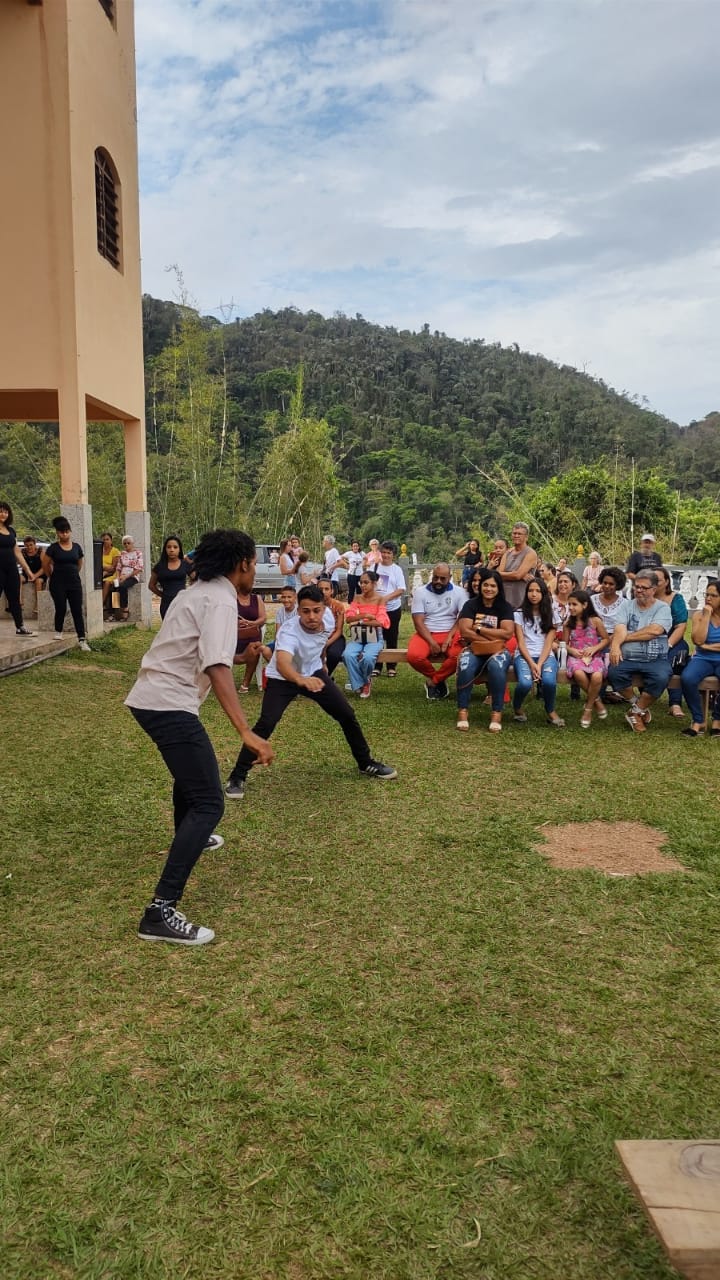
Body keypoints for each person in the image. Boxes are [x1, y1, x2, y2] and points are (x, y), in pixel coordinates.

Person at [125, 529, 274, 945]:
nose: (254, 572)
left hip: (153, 697)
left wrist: (240, 655)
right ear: (242, 564)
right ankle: (160, 912)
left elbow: (201, 652)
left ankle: (188, 837)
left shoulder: (195, 593)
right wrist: (246, 731)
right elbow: (215, 667)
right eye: (253, 564)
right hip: (167, 703)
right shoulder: (222, 601)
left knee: (189, 778)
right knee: (209, 802)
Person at [224, 584, 397, 800]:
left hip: (313, 672)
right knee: (266, 723)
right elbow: (283, 664)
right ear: (298, 611)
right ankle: (237, 776)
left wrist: (321, 664)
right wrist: (300, 680)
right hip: (283, 678)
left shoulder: (329, 620)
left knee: (346, 714)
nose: (312, 616)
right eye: (305, 611)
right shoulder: (289, 632)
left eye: (316, 610)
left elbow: (320, 644)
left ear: (324, 609)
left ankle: (365, 763)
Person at [606, 569, 672, 734]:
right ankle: (639, 707)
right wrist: (615, 646)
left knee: (661, 677)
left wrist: (623, 638)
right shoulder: (626, 606)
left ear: (654, 589)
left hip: (655, 659)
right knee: (614, 673)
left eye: (644, 587)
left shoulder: (663, 608)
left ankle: (635, 712)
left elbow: (654, 631)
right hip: (628, 657)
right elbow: (620, 627)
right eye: (637, 586)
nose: (639, 590)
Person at [455, 569, 514, 732]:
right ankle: (462, 710)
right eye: (485, 585)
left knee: (496, 667)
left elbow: (507, 633)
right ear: (480, 586)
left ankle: (496, 712)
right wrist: (492, 639)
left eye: (493, 586)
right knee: (465, 666)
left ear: (499, 588)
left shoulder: (505, 607)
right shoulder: (471, 605)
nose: (489, 589)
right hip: (475, 649)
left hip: (498, 651)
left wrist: (480, 629)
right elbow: (465, 631)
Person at [408, 562, 467, 701]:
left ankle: (433, 681)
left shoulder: (460, 592)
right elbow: (418, 622)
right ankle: (439, 679)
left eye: (442, 578)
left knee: (460, 656)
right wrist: (431, 642)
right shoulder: (420, 592)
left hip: (451, 632)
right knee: (414, 656)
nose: (438, 581)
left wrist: (449, 637)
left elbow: (462, 619)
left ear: (449, 577)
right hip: (427, 632)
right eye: (435, 577)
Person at [512, 578, 564, 727]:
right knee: (525, 683)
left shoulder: (551, 614)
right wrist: (531, 663)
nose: (533, 594)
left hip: (546, 655)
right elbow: (521, 643)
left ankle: (550, 710)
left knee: (549, 682)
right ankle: (517, 707)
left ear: (544, 594)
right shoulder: (519, 613)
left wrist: (539, 664)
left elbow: (548, 643)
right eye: (530, 590)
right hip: (524, 655)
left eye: (537, 591)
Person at [41, 517, 90, 650]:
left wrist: (73, 573)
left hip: (74, 583)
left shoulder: (77, 547)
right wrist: (51, 576)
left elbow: (79, 564)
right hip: (57, 583)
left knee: (77, 610)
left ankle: (82, 639)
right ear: (57, 533)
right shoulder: (53, 548)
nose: (65, 534)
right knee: (61, 607)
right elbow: (45, 564)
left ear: (70, 531)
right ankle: (58, 631)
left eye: (67, 531)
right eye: (62, 532)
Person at [563, 590, 610, 727]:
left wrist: (594, 648)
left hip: (594, 656)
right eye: (569, 604)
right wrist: (572, 650)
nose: (570, 607)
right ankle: (597, 701)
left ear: (584, 605)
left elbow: (606, 639)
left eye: (574, 604)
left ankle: (588, 708)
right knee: (578, 673)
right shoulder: (568, 623)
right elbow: (564, 644)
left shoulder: (595, 621)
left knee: (597, 676)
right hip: (576, 657)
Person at [680, 579, 720, 737]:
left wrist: (708, 646)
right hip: (702, 658)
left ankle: (717, 719)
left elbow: (703, 644)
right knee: (687, 678)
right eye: (706, 594)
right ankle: (698, 720)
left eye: (714, 596)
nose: (708, 598)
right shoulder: (699, 615)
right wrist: (707, 615)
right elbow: (698, 640)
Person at [343, 570, 390, 696]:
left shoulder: (380, 599)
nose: (362, 585)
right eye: (361, 582)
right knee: (347, 655)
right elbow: (349, 618)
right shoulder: (357, 598)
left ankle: (364, 681)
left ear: (374, 583)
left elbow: (381, 622)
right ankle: (361, 682)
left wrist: (360, 622)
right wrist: (365, 616)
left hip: (375, 637)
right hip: (358, 636)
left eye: (366, 582)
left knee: (368, 658)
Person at [655, 565, 689, 719]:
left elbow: (681, 626)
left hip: (673, 641)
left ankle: (675, 703)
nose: (654, 583)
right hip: (650, 640)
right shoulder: (644, 598)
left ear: (667, 582)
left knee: (674, 661)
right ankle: (644, 698)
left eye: (658, 580)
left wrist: (667, 645)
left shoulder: (676, 599)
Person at [0, 500, 37, 636]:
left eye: (5, 512)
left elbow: (16, 551)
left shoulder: (11, 531)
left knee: (14, 598)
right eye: (0, 511)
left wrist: (27, 570)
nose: (3, 514)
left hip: (11, 569)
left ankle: (20, 626)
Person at [373, 541, 406, 676]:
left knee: (391, 636)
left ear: (393, 555)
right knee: (376, 637)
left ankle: (391, 666)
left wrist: (386, 598)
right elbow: (367, 584)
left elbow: (401, 589)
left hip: (392, 608)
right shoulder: (374, 567)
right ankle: (377, 665)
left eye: (389, 553)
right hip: (376, 609)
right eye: (384, 552)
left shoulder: (396, 569)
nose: (386, 555)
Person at [234, 577, 267, 692]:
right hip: (235, 638)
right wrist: (237, 623)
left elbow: (263, 618)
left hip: (253, 636)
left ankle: (245, 683)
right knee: (255, 646)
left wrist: (252, 623)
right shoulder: (232, 599)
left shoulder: (257, 598)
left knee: (255, 646)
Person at [148, 535, 191, 621]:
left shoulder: (185, 564)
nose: (172, 550)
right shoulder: (159, 566)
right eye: (169, 547)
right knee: (168, 628)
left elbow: (196, 579)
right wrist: (163, 595)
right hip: (166, 604)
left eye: (175, 547)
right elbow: (151, 585)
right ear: (165, 549)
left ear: (179, 549)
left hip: (182, 603)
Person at [498, 523, 538, 610]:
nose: (516, 536)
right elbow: (498, 575)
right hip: (504, 600)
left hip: (521, 602)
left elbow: (517, 575)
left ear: (526, 537)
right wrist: (516, 574)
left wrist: (517, 575)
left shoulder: (530, 553)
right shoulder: (507, 553)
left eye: (519, 534)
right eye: (514, 533)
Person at [318, 575, 346, 674]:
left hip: (335, 637)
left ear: (332, 591)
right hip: (316, 637)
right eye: (320, 589)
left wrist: (327, 643)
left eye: (326, 589)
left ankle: (325, 676)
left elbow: (339, 630)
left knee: (334, 654)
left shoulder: (338, 605)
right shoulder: (313, 604)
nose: (323, 592)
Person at [117, 534, 144, 619]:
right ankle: (114, 610)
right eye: (125, 543)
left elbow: (139, 568)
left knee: (123, 586)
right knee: (114, 586)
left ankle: (124, 607)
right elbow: (118, 567)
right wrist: (118, 577)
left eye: (128, 543)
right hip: (122, 575)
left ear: (132, 543)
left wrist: (126, 577)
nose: (126, 545)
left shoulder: (138, 553)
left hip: (132, 576)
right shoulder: (122, 553)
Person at [100, 531, 121, 615]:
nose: (105, 541)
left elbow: (113, 568)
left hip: (114, 574)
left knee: (108, 583)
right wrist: (105, 568)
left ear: (111, 540)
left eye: (107, 539)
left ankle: (100, 604)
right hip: (101, 573)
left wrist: (103, 567)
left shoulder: (115, 551)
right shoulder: (99, 551)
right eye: (103, 540)